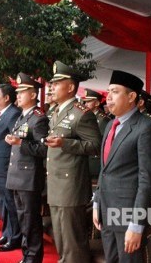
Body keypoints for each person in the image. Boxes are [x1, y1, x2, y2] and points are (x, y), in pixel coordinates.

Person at [93, 70, 151, 263]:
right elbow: (104, 170)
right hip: (106, 211)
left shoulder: (146, 127)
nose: (109, 97)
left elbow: (146, 180)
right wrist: (97, 202)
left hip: (126, 216)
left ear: (131, 97)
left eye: (115, 91)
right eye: (108, 91)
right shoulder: (110, 125)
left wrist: (137, 225)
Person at [45, 61, 101, 263]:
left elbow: (95, 145)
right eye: (52, 83)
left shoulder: (81, 114)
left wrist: (66, 143)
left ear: (70, 87)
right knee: (60, 235)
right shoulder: (56, 111)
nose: (52, 86)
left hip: (70, 185)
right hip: (56, 182)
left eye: (57, 83)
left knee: (72, 240)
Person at [5, 72, 49, 263]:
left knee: (31, 221)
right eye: (18, 91)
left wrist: (19, 142)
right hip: (17, 176)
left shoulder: (39, 118)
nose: (19, 95)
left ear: (33, 94)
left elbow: (43, 149)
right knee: (23, 219)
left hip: (29, 178)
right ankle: (26, 254)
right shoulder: (22, 117)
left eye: (23, 92)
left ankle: (33, 256)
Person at [0, 84, 22, 251]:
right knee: (2, 203)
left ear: (7, 98)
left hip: (4, 167)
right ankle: (7, 233)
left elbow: (15, 142)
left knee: (10, 203)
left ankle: (15, 237)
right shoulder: (0, 114)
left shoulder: (13, 114)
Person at [82, 88, 110, 181]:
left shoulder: (103, 120)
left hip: (95, 161)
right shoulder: (85, 117)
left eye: (88, 102)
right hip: (85, 159)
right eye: (85, 102)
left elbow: (102, 142)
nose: (85, 104)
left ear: (97, 103)